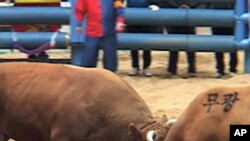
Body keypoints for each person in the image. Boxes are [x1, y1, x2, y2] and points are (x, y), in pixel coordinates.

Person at [75, 0, 125, 72]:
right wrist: (78, 24)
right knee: (89, 58)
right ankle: (87, 78)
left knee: (110, 58)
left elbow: (119, 8)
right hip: (92, 32)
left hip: (109, 32)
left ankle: (110, 77)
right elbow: (80, 9)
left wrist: (120, 21)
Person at [153, 0, 197, 78]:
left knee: (190, 44)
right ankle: (172, 69)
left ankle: (192, 68)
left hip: (189, 15)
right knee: (174, 44)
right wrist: (177, 7)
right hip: (173, 16)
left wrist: (189, 6)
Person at [126, 0, 161, 77]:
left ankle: (146, 67)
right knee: (133, 43)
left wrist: (154, 4)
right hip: (132, 17)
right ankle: (135, 66)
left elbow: (155, 2)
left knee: (146, 44)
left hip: (146, 18)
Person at [211, 3, 237, 78]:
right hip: (215, 18)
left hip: (230, 18)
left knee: (232, 45)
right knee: (217, 45)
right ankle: (220, 69)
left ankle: (232, 69)